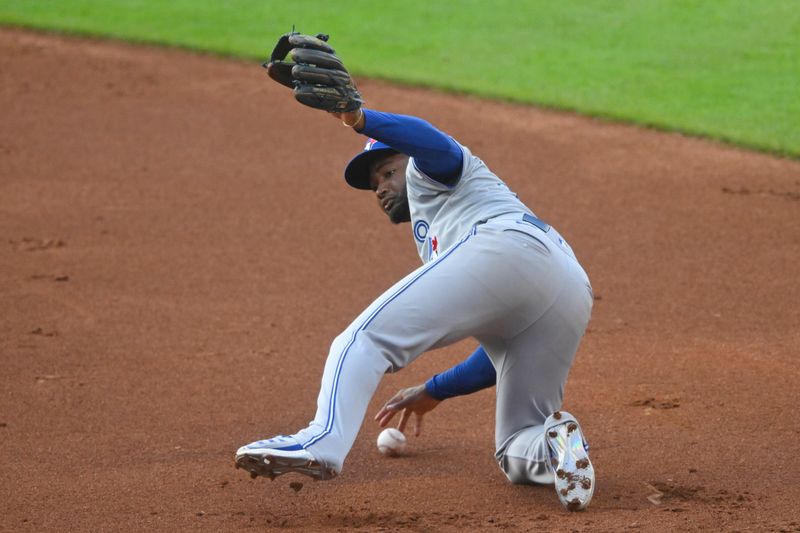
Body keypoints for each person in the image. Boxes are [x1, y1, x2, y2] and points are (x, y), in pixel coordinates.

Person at [235, 36, 596, 511]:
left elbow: (428, 137)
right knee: (514, 450)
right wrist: (435, 389)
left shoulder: (436, 171)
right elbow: (502, 354)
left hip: (509, 247)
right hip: (569, 287)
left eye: (386, 172)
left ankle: (319, 442)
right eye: (373, 184)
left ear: (408, 163)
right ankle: (555, 450)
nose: (380, 188)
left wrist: (356, 116)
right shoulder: (451, 227)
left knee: (361, 340)